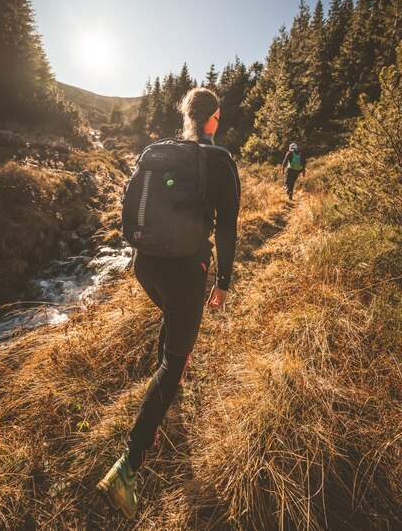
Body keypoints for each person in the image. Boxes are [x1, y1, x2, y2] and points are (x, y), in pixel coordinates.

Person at [97, 87, 240, 519]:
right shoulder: (219, 161)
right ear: (213, 118)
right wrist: (224, 282)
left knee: (172, 324)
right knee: (175, 361)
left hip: (146, 266)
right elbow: (229, 228)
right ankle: (128, 464)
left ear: (185, 116)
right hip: (184, 274)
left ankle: (157, 412)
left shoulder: (158, 151)